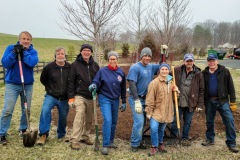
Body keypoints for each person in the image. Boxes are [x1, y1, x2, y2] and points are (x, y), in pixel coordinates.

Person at [0, 31, 38, 145]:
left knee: (26, 109)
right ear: (19, 39)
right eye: (23, 39)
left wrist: (24, 52)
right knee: (8, 109)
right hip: (12, 84)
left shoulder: (33, 51)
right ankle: (2, 134)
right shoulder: (10, 48)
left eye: (28, 39)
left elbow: (31, 63)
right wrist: (14, 53)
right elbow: (6, 63)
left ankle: (23, 129)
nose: (26, 41)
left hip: (27, 85)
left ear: (30, 41)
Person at [127, 46, 167, 152]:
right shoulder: (135, 67)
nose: (147, 58)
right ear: (141, 56)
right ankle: (134, 144)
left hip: (148, 100)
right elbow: (132, 84)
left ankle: (139, 142)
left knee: (143, 122)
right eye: (145, 55)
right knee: (139, 121)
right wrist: (136, 101)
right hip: (137, 99)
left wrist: (163, 54)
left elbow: (161, 66)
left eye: (149, 56)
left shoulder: (150, 67)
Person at [88, 51, 126, 155]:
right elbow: (96, 81)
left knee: (114, 121)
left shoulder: (121, 72)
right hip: (105, 98)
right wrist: (94, 85)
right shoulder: (102, 71)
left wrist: (124, 101)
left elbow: (123, 88)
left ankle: (111, 141)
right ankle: (105, 145)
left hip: (115, 99)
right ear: (108, 60)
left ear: (117, 60)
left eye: (114, 59)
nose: (113, 60)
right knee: (108, 120)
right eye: (111, 59)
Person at [201, 53, 239, 153]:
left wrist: (233, 102)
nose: (212, 63)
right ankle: (210, 139)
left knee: (229, 121)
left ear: (217, 61)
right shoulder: (204, 73)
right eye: (210, 61)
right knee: (209, 121)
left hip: (222, 101)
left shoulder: (224, 71)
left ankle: (231, 142)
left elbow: (231, 86)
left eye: (213, 60)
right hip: (209, 101)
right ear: (207, 62)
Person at [36, 47, 71, 145]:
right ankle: (43, 134)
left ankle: (61, 134)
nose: (60, 55)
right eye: (58, 54)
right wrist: (50, 88)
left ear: (65, 56)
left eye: (62, 54)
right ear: (55, 55)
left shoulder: (69, 67)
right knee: (45, 111)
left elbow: (72, 81)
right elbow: (43, 79)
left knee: (63, 116)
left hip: (64, 98)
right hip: (51, 96)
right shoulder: (49, 67)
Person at [68, 44, 99, 150]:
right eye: (84, 50)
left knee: (89, 118)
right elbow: (71, 82)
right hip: (79, 95)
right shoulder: (75, 65)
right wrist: (71, 98)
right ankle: (74, 139)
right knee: (80, 114)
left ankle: (85, 136)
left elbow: (98, 80)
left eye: (88, 50)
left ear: (91, 52)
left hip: (91, 96)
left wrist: (97, 91)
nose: (86, 52)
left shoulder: (95, 65)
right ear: (81, 52)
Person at [170, 53, 204, 146]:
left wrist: (200, 105)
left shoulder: (198, 74)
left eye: (191, 61)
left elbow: (201, 90)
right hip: (178, 101)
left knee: (187, 122)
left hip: (191, 103)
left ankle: (185, 138)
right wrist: (172, 84)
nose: (189, 62)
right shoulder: (177, 70)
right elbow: (168, 77)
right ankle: (173, 137)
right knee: (174, 120)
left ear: (193, 62)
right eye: (187, 61)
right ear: (184, 61)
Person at [145, 63, 178, 156]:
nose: (164, 71)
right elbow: (150, 98)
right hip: (156, 110)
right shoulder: (154, 83)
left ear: (168, 71)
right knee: (154, 128)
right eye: (162, 69)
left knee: (161, 129)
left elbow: (175, 97)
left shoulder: (170, 81)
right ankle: (154, 146)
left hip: (166, 111)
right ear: (159, 70)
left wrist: (176, 91)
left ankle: (160, 144)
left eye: (166, 69)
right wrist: (149, 111)